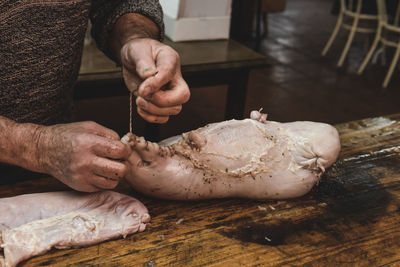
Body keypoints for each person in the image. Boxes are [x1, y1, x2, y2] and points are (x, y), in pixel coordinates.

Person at [0, 0, 190, 191]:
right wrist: (38, 147)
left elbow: (119, 4)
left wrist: (135, 37)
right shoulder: (44, 150)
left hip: (59, 174)